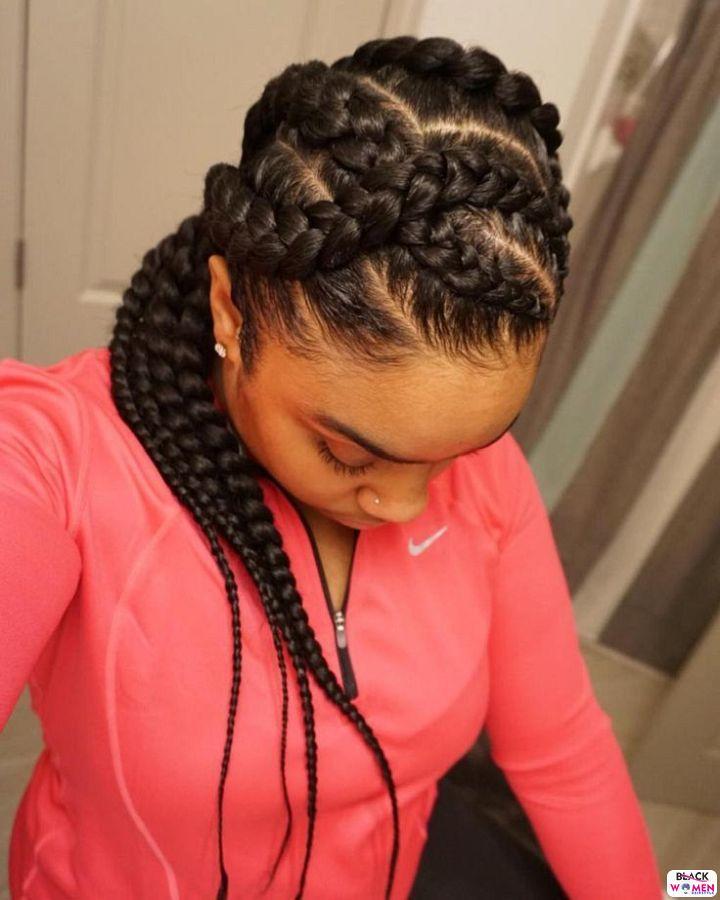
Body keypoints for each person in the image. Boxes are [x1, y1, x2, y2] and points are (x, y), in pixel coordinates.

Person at [0, 35, 663, 900]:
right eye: (350, 452)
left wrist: (687, 891)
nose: (406, 504)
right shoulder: (54, 458)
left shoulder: (484, 483)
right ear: (231, 309)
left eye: (458, 452)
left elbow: (564, 753)